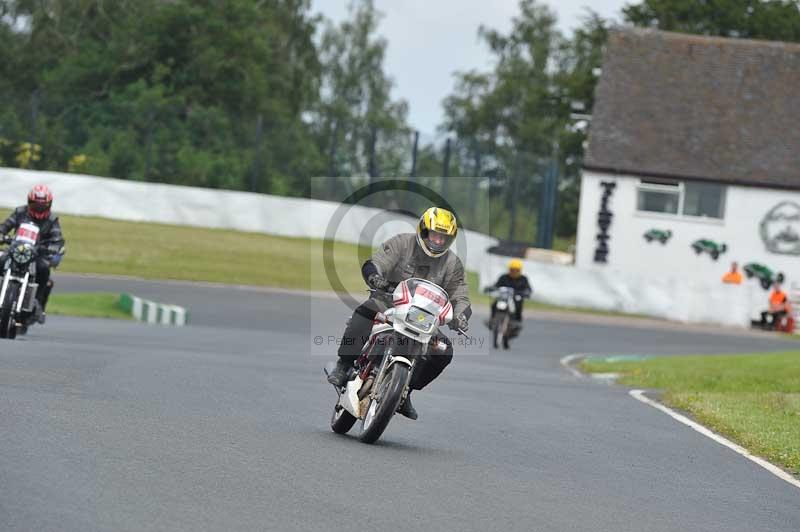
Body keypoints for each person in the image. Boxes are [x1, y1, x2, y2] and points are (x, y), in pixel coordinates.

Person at [326, 207, 471, 420]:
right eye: (435, 235)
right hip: (388, 302)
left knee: (444, 350)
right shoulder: (402, 243)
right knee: (365, 311)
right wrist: (376, 278)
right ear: (423, 231)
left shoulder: (452, 263)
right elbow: (375, 264)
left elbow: (461, 296)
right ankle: (344, 364)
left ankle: (405, 391)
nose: (438, 241)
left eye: (444, 238)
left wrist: (461, 316)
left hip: (424, 317)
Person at [0, 185, 66, 323]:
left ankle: (37, 304)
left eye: (43, 206)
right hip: (17, 249)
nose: (39, 208)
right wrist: (2, 235)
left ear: (49, 205)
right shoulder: (20, 212)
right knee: (1, 260)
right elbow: (5, 226)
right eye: (36, 205)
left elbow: (57, 238)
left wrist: (54, 246)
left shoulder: (52, 220)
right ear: (29, 202)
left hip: (37, 253)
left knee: (43, 270)